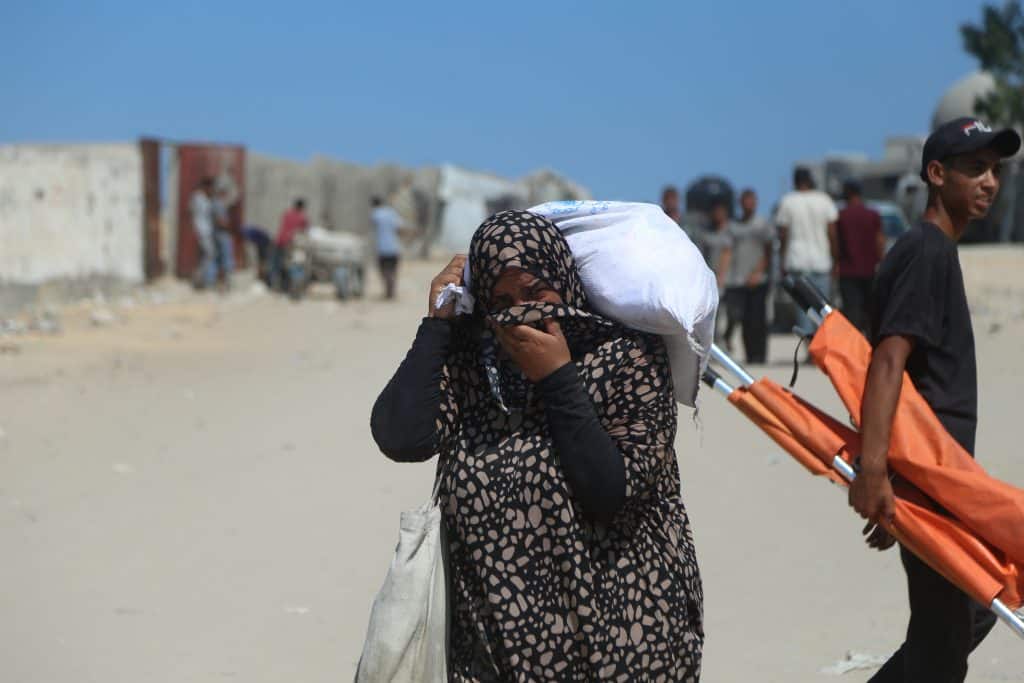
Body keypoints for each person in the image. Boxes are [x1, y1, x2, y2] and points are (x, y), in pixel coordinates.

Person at [370, 210, 704, 681]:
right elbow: (401, 436)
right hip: (493, 647)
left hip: (621, 640)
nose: (519, 310)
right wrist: (437, 326)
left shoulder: (626, 358)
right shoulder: (474, 362)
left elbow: (610, 492)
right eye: (501, 299)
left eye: (534, 293)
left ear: (563, 280)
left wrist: (558, 379)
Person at [849, 117, 1020, 683]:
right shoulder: (926, 252)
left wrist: (893, 482)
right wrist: (875, 472)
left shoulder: (933, 250)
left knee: (970, 611)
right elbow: (888, 362)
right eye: (974, 168)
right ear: (937, 173)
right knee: (943, 642)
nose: (989, 181)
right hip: (930, 476)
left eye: (995, 169)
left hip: (936, 477)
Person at [775, 167, 838, 334]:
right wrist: (836, 258)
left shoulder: (788, 201)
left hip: (797, 261)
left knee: (804, 308)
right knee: (823, 307)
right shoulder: (824, 200)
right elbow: (832, 232)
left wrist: (782, 260)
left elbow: (783, 234)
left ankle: (809, 344)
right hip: (822, 261)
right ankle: (824, 344)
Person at [722, 189, 773, 363]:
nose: (749, 204)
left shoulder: (762, 224)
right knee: (743, 320)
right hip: (738, 280)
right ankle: (750, 355)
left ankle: (760, 355)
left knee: (758, 320)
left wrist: (758, 272)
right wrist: (722, 275)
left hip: (759, 280)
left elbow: (768, 252)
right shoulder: (733, 226)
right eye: (745, 201)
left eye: (752, 200)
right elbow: (727, 251)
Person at [835, 180, 884, 333]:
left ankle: (855, 349)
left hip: (848, 270)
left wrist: (835, 263)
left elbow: (836, 243)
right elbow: (880, 240)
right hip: (870, 269)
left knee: (852, 312)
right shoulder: (872, 214)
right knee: (871, 311)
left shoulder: (841, 216)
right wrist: (882, 262)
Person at [371, 196, 404, 300]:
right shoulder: (391, 212)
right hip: (394, 247)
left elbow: (374, 227)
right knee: (393, 270)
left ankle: (388, 291)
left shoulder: (375, 214)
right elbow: (400, 227)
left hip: (382, 248)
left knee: (384, 270)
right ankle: (391, 291)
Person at [271, 198, 309, 289]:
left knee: (277, 265)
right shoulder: (302, 218)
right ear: (302, 207)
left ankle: (275, 285)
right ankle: (288, 286)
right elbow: (305, 231)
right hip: (291, 244)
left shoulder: (287, 214)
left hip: (279, 241)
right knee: (292, 265)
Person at [189, 177, 216, 289]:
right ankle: (200, 280)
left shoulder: (204, 198)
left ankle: (200, 280)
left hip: (206, 230)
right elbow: (195, 215)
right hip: (202, 231)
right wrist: (196, 230)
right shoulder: (198, 198)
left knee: (205, 256)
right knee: (210, 254)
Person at [211, 187, 236, 292]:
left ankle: (220, 284)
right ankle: (224, 285)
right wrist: (227, 224)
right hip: (221, 235)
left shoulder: (216, 204)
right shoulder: (218, 204)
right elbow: (220, 221)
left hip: (218, 234)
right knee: (225, 259)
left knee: (220, 259)